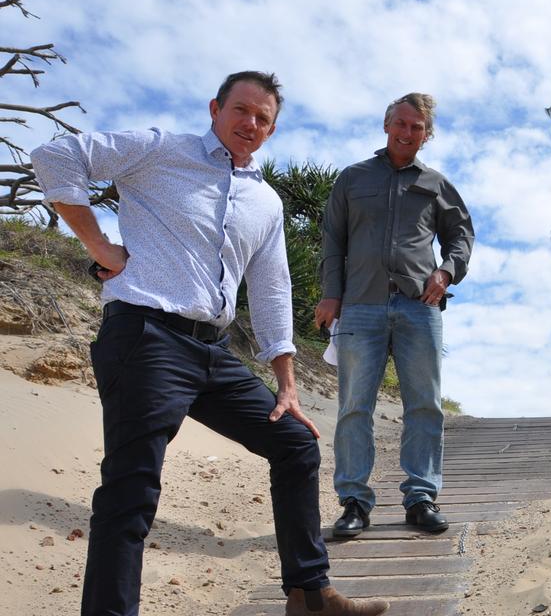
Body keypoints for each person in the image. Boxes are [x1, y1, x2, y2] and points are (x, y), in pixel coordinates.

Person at [30, 72, 387, 616]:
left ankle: (310, 596)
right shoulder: (160, 150)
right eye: (240, 110)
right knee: (131, 492)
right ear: (215, 108)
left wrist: (287, 382)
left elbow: (271, 289)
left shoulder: (264, 202)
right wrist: (99, 242)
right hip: (146, 337)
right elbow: (55, 155)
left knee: (294, 443)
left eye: (262, 118)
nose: (250, 123)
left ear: (271, 130)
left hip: (213, 352)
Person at [315, 93, 474, 539]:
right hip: (361, 305)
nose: (407, 133)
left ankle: (421, 497)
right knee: (353, 407)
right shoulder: (352, 179)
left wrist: (446, 271)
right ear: (387, 125)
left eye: (417, 128)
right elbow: (333, 241)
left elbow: (461, 235)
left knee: (424, 405)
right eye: (401, 123)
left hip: (419, 308)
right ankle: (353, 502)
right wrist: (331, 296)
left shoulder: (437, 184)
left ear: (427, 135)